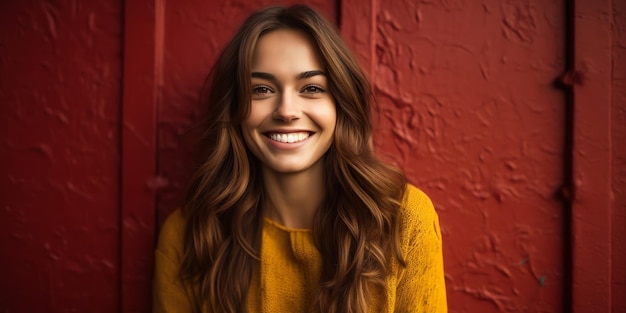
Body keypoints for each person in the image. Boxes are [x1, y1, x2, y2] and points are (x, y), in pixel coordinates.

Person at [153, 4, 447, 313]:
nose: (287, 111)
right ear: (234, 109)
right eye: (262, 89)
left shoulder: (404, 222)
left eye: (311, 88)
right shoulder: (189, 236)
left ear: (341, 105)